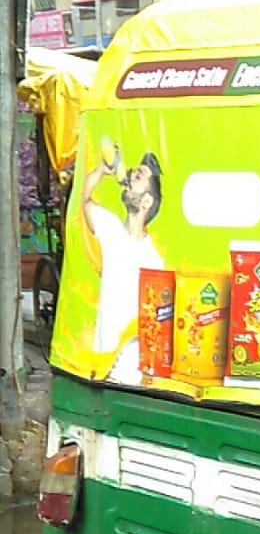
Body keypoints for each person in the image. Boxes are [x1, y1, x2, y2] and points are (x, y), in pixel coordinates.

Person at [82, 147, 164, 385]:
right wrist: (101, 170)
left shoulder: (154, 260)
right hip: (102, 367)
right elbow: (84, 199)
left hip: (131, 373)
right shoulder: (111, 229)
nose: (129, 178)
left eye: (138, 177)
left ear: (146, 201)